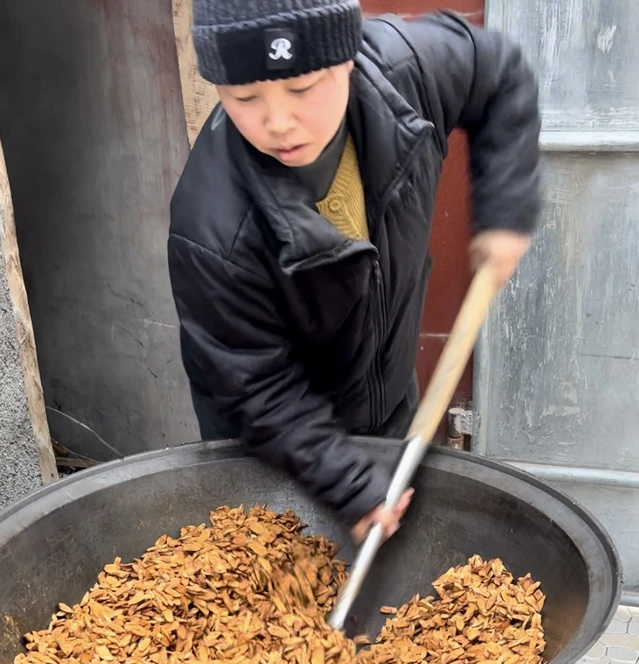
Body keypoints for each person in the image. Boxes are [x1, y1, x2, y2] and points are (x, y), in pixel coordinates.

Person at [168, 0, 540, 542]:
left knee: (399, 576)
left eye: (302, 88)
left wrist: (506, 211)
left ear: (347, 55)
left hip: (388, 398)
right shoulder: (213, 231)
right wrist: (349, 484)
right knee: (265, 594)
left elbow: (499, 73)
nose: (278, 122)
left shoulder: (405, 69)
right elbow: (254, 389)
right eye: (245, 97)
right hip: (272, 444)